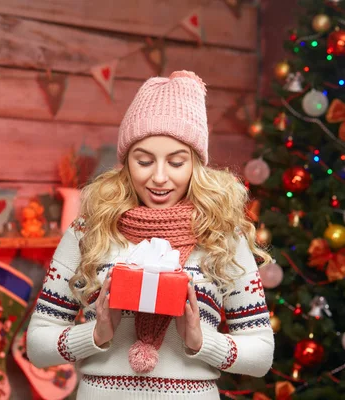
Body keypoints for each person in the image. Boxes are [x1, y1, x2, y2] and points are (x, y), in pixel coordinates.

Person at [27, 70, 275, 399]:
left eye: (176, 162)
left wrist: (202, 341)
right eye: (144, 160)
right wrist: (95, 334)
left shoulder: (222, 236)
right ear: (126, 162)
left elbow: (260, 355)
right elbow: (38, 346)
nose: (159, 177)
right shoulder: (89, 231)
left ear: (196, 164)